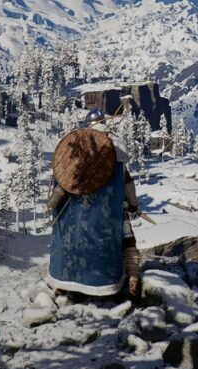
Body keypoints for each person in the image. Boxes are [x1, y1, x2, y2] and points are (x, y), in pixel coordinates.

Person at [46, 109, 142, 298]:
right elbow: (127, 183)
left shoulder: (73, 145)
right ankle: (122, 279)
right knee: (126, 233)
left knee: (68, 237)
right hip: (104, 213)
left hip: (71, 213)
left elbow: (61, 179)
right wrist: (133, 205)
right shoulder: (115, 147)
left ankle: (62, 282)